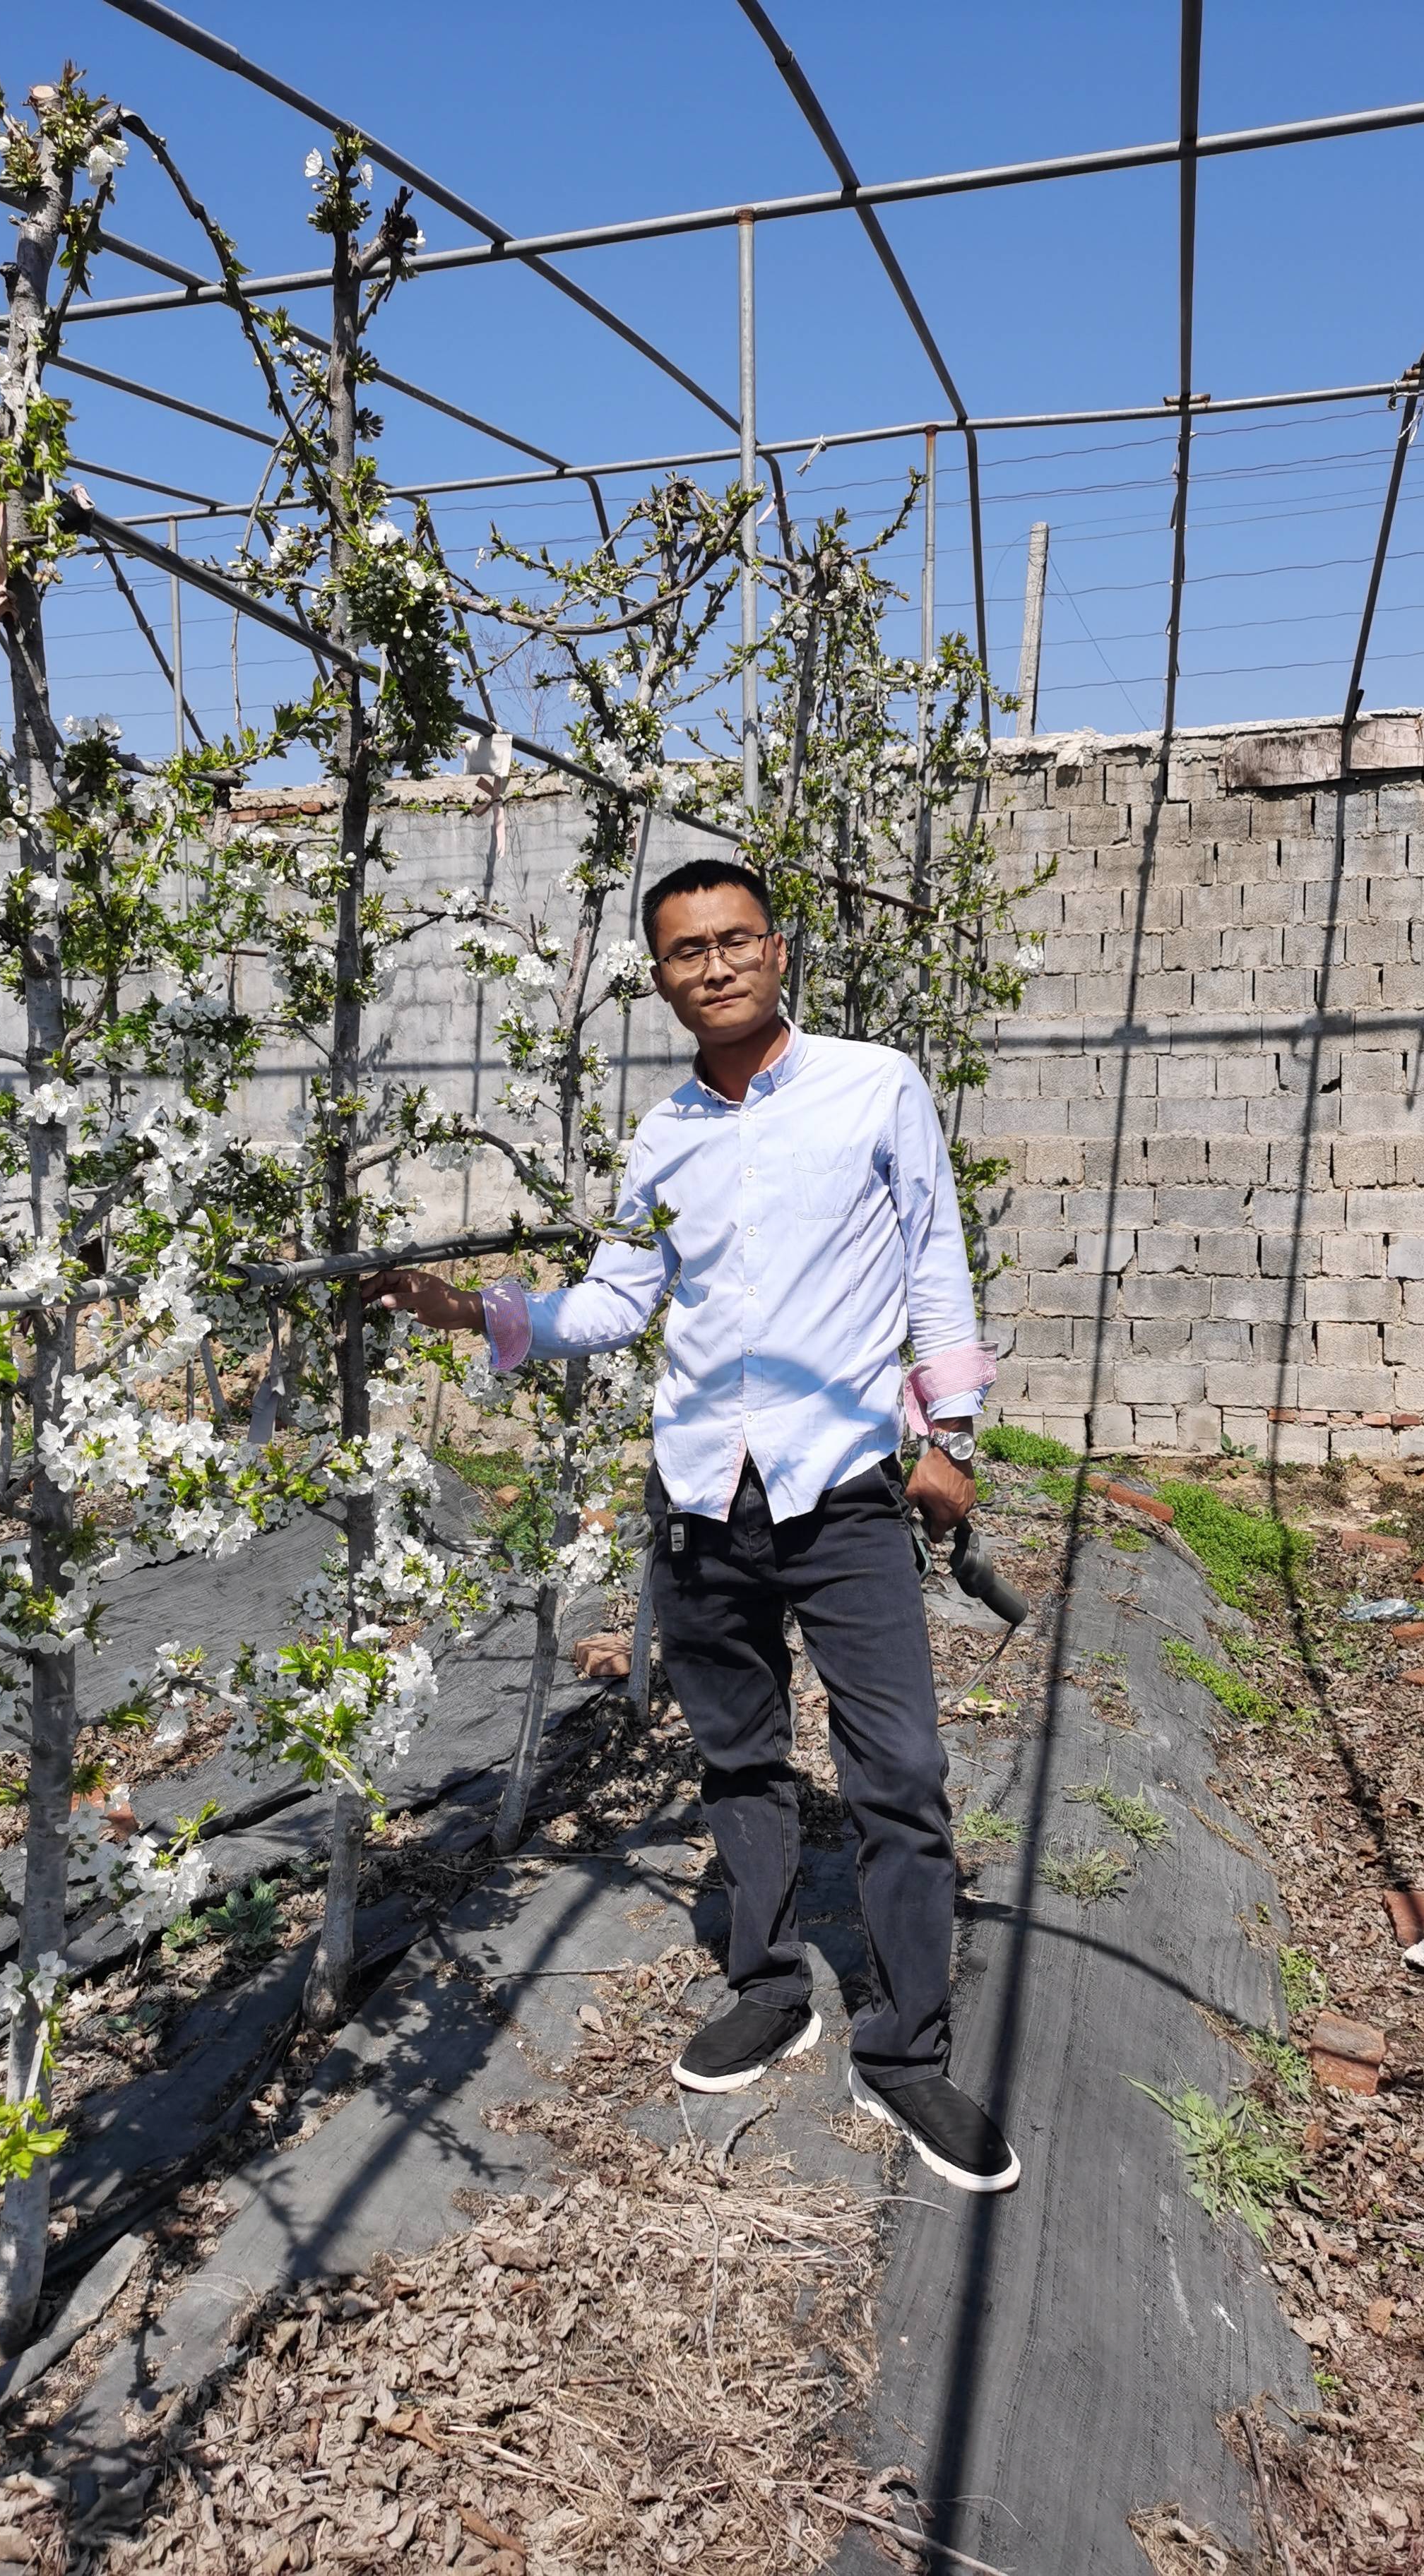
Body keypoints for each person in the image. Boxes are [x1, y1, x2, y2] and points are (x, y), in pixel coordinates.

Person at [361, 855, 1019, 2195]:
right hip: (704, 1496)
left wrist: (949, 1441)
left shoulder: (873, 1085)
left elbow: (934, 1258)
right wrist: (467, 1311)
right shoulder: (662, 1137)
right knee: (738, 1754)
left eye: (734, 942)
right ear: (658, 979)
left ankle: (903, 2056)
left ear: (778, 952)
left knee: (899, 1774)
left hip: (840, 1488)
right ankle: (770, 1983)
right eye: (683, 952)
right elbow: (617, 1301)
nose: (712, 967)